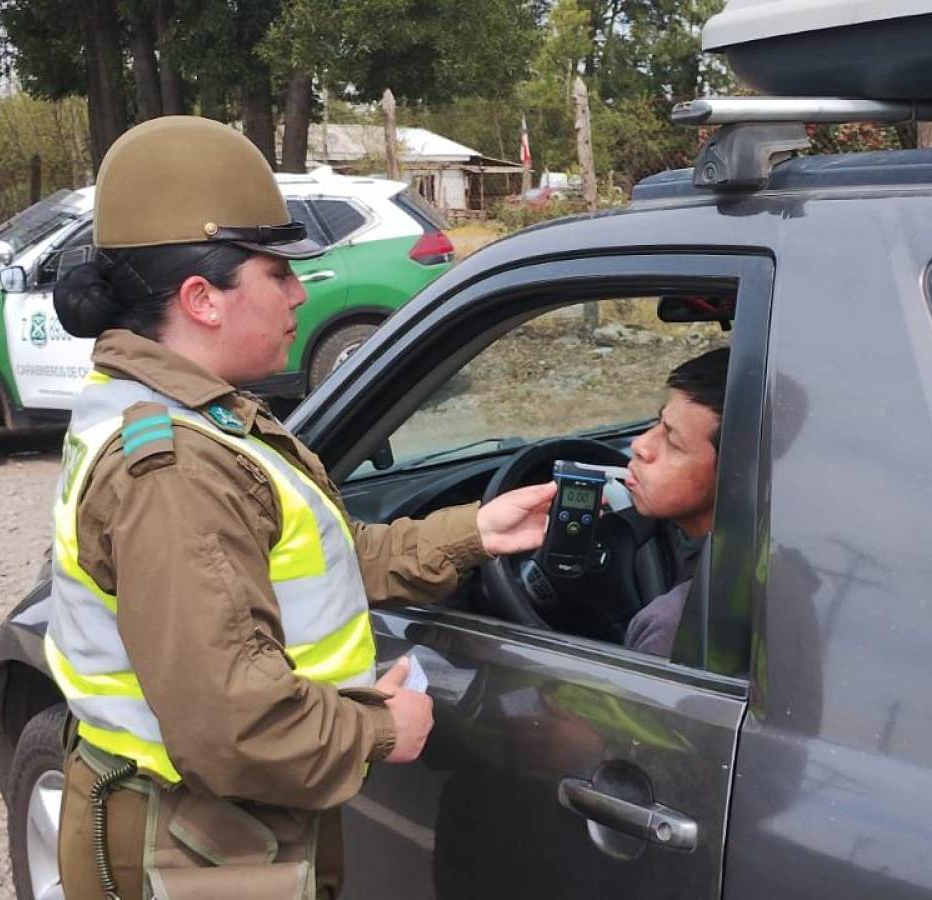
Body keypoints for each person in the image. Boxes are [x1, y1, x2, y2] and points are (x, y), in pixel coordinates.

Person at [45, 116, 558, 900]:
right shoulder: (177, 467)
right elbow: (231, 722)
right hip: (191, 849)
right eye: (276, 273)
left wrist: (474, 533)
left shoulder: (184, 414)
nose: (297, 290)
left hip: (209, 831)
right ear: (201, 299)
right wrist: (383, 730)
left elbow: (309, 564)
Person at [621, 347, 729, 657]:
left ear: (735, 474)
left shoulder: (673, 631)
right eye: (658, 422)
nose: (639, 445)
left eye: (671, 440)